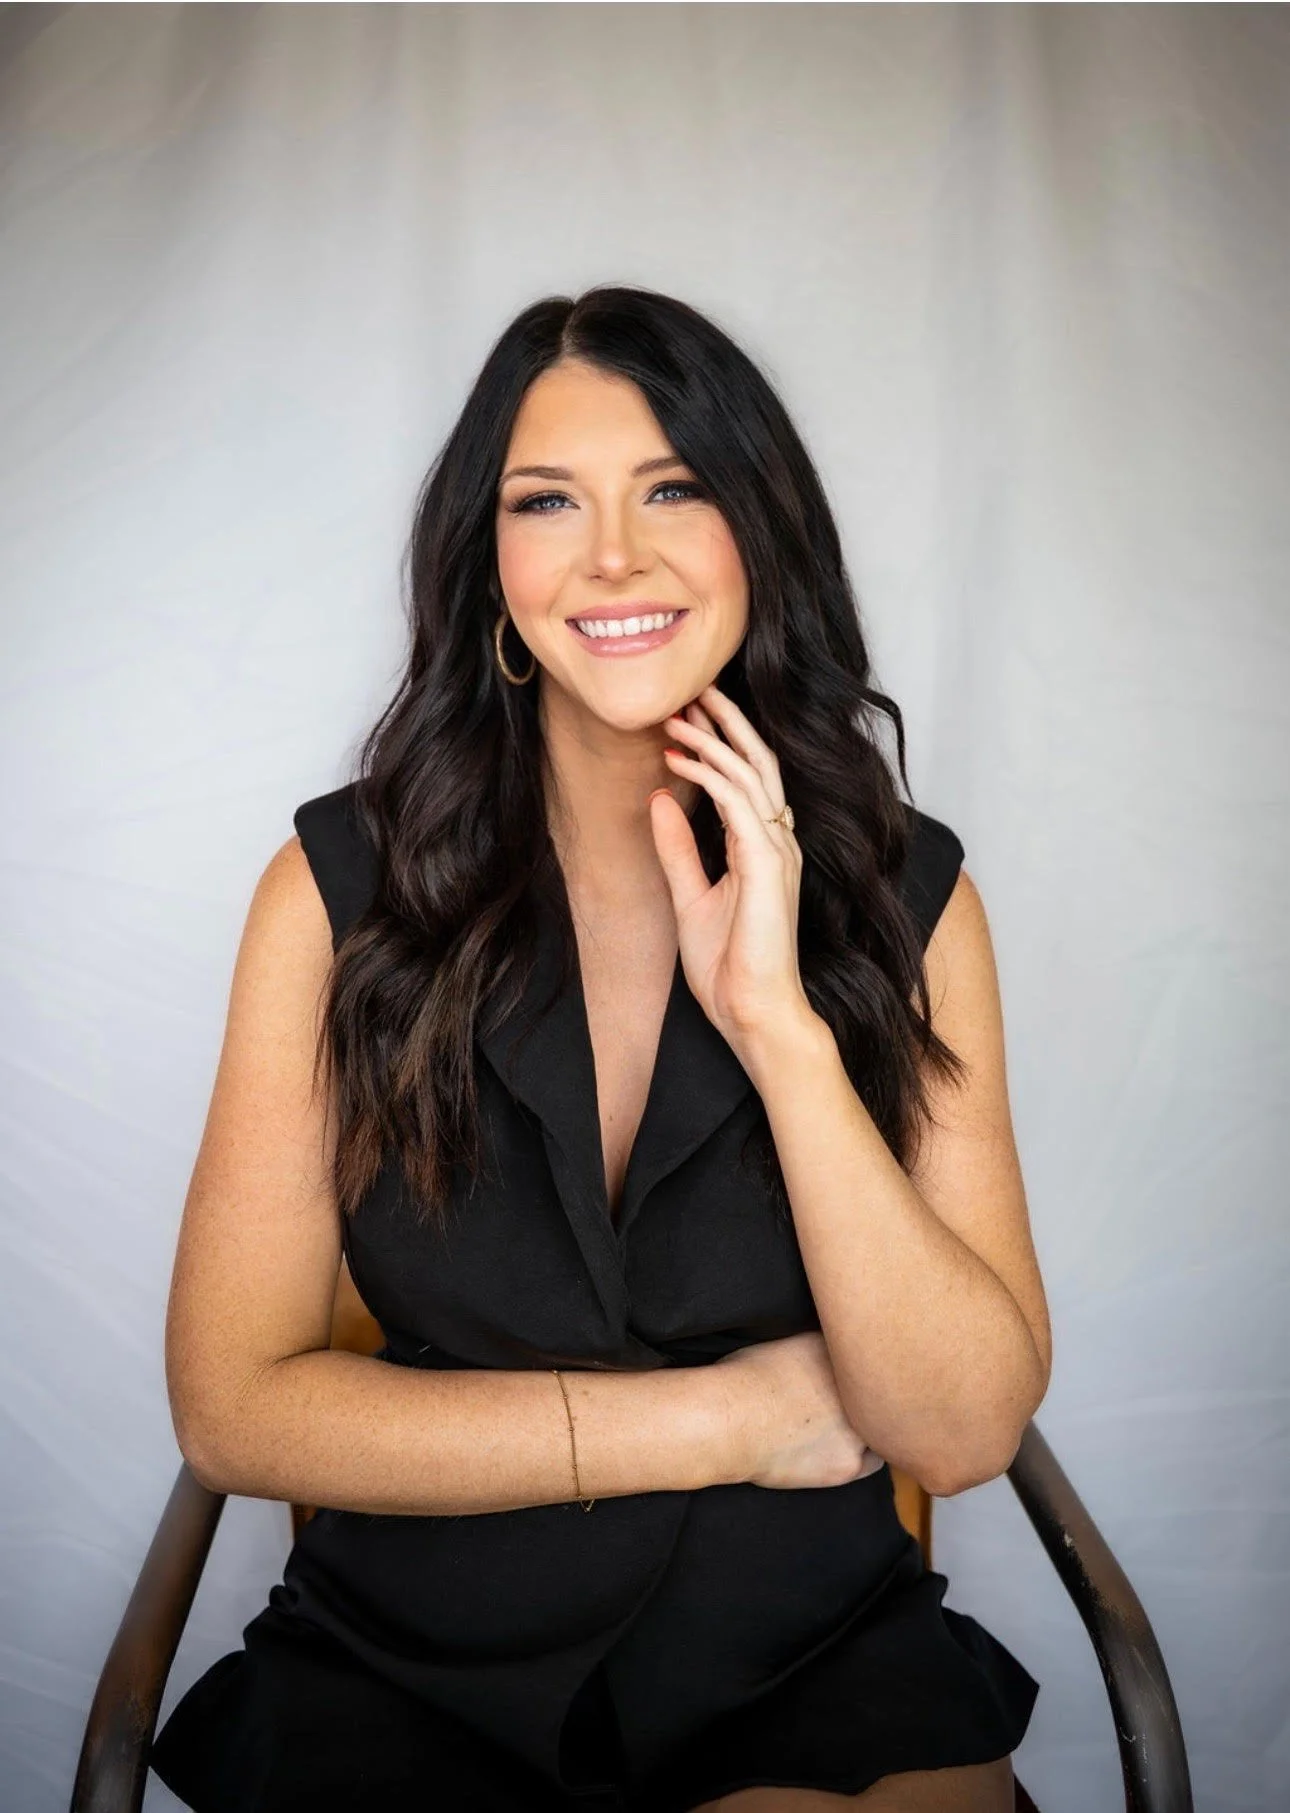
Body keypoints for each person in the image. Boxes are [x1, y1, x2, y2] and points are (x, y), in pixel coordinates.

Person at [150, 284, 1050, 1812]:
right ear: (488, 565)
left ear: (758, 534)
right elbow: (234, 1406)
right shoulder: (331, 895)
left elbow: (959, 1427)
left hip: (806, 1656)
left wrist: (775, 1024)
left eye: (674, 490)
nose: (613, 556)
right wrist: (729, 1418)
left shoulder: (914, 903)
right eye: (546, 500)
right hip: (411, 1661)